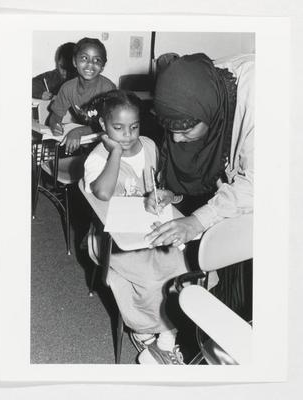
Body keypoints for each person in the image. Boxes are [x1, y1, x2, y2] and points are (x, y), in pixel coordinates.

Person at [141, 53, 254, 363]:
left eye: (186, 129)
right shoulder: (207, 87)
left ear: (208, 111)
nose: (177, 138)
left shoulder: (258, 102)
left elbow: (256, 185)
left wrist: (196, 220)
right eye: (171, 129)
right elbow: (211, 169)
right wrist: (175, 195)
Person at [83, 90, 188, 365]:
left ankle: (164, 341)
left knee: (183, 266)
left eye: (134, 127)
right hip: (115, 240)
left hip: (151, 230)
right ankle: (147, 333)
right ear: (103, 126)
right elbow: (103, 193)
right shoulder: (96, 159)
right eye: (118, 128)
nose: (128, 135)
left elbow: (165, 188)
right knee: (152, 280)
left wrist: (165, 195)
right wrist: (115, 152)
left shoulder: (150, 146)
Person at [49, 37, 116, 154]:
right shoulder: (68, 88)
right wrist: (55, 124)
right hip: (84, 141)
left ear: (102, 67)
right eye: (84, 58)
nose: (90, 64)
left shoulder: (107, 88)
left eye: (97, 60)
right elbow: (55, 116)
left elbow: (111, 125)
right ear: (75, 62)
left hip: (107, 141)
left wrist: (79, 132)